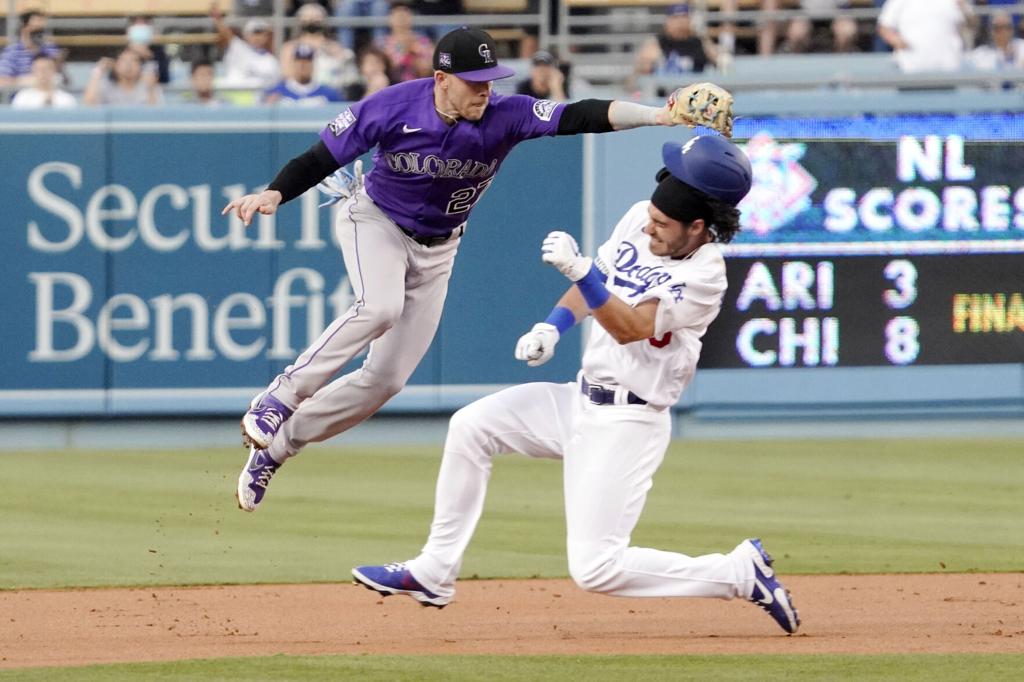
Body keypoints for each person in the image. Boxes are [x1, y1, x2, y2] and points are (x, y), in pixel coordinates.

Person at [224, 27, 705, 513]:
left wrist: (658, 115)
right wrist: (274, 193)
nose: (485, 90)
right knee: (380, 307)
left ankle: (280, 448)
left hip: (439, 248)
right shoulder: (392, 105)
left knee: (386, 380)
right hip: (375, 221)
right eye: (474, 81)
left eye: (490, 80)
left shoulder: (505, 114)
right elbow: (319, 158)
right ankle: (279, 398)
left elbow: (580, 114)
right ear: (441, 79)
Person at [348, 136, 801, 636]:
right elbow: (599, 280)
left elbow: (629, 324)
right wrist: (552, 326)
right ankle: (434, 570)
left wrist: (583, 272)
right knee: (471, 426)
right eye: (650, 216)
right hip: (579, 398)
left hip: (629, 421)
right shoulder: (640, 217)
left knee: (596, 569)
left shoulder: (705, 274)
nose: (649, 227)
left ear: (697, 228)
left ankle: (736, 572)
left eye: (662, 225)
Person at [279, 3, 359, 93]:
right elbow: (287, 76)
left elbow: (347, 75)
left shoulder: (335, 47)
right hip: (301, 94)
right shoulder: (289, 48)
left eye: (316, 17)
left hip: (331, 94)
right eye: (308, 17)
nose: (312, 20)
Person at [877, 0, 975, 73]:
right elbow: (884, 27)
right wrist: (898, 42)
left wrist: (963, 8)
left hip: (948, 68)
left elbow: (972, 24)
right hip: (911, 68)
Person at [212, 7, 282, 89]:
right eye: (254, 33)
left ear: (266, 37)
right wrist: (218, 20)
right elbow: (225, 33)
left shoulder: (272, 61)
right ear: (246, 35)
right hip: (232, 95)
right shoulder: (238, 47)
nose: (257, 37)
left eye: (260, 34)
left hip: (258, 99)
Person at [0, 9, 61, 89]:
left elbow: (61, 78)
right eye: (35, 28)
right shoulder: (12, 51)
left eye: (41, 29)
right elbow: (2, 81)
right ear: (23, 29)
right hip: (20, 98)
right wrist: (25, 81)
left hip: (47, 96)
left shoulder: (50, 48)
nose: (39, 32)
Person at [263, 43, 343, 104]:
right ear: (293, 63)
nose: (303, 65)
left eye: (307, 61)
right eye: (299, 61)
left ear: (313, 64)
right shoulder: (277, 92)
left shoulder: (328, 94)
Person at [374, 2, 434, 82]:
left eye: (405, 16)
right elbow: (381, 68)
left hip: (418, 82)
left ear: (411, 18)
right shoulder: (381, 43)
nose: (401, 20)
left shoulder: (422, 42)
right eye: (398, 16)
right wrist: (404, 52)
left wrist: (413, 54)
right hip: (391, 85)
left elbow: (428, 68)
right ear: (390, 19)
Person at [82, 48, 163, 106]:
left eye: (134, 60)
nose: (128, 65)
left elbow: (155, 114)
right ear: (115, 65)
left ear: (140, 66)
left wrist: (150, 89)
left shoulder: (148, 86)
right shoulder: (107, 85)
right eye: (123, 60)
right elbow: (89, 104)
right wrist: (97, 73)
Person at [10, 53, 76, 108]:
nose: (43, 73)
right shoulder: (22, 97)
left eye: (46, 69)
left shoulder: (67, 99)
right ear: (33, 71)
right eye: (39, 69)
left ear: (54, 71)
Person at [125, 15, 171, 85]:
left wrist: (150, 56)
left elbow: (165, 78)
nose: (141, 27)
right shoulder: (123, 51)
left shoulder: (158, 51)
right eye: (136, 23)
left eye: (145, 22)